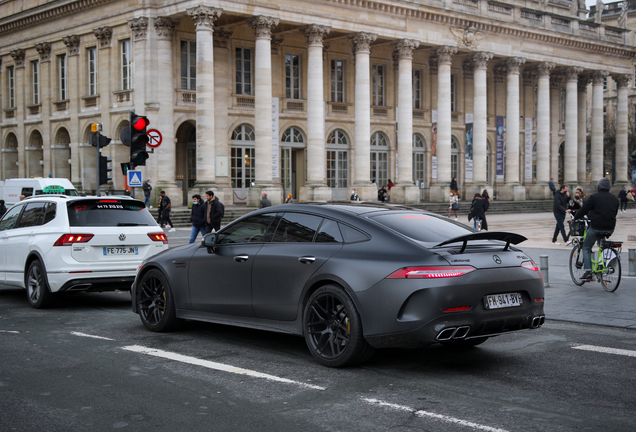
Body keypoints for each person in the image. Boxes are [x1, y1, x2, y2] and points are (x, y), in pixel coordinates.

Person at [573, 177, 619, 282]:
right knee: (602, 244)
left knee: (586, 247)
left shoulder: (594, 197)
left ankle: (588, 273)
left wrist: (575, 217)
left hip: (596, 227)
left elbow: (584, 209)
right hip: (610, 228)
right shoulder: (614, 198)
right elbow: (614, 212)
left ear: (599, 186)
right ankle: (603, 265)